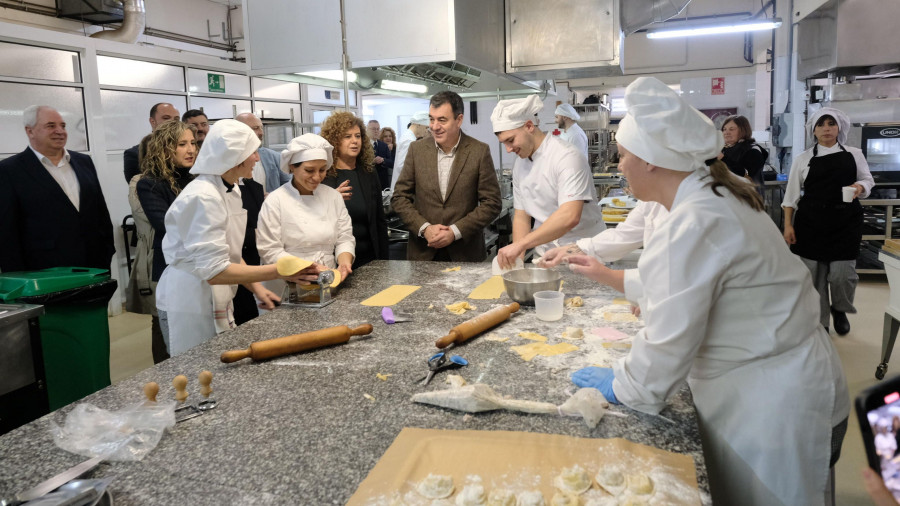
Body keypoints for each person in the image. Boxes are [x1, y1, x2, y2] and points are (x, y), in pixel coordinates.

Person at [565, 77, 849, 505]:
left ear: (652, 161)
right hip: (788, 379)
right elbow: (699, 285)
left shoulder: (694, 220)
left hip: (774, 406)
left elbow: (665, 348)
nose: (619, 167)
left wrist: (624, 384)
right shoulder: (715, 193)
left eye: (623, 157)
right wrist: (611, 277)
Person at [155, 120, 319, 356]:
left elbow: (229, 253)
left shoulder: (231, 189)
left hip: (215, 293)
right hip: (189, 299)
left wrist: (257, 289)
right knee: (193, 372)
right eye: (252, 152)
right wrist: (280, 271)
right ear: (235, 156)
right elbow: (215, 270)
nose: (257, 159)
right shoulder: (203, 197)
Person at [782, 107, 875, 335]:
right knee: (815, 276)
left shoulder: (854, 153)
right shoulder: (803, 159)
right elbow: (791, 196)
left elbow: (867, 179)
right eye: (821, 124)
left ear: (839, 127)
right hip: (811, 221)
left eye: (831, 124)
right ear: (813, 130)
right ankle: (821, 320)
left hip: (845, 220)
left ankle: (840, 308)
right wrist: (787, 225)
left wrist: (860, 187)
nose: (826, 129)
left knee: (843, 274)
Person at [491, 94, 605, 269]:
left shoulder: (567, 156)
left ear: (529, 126)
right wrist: (517, 263)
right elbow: (522, 217)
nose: (508, 149)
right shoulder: (519, 165)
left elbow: (570, 216)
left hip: (583, 253)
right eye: (503, 143)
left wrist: (521, 245)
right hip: (545, 256)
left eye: (511, 140)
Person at [0, 105, 115, 273]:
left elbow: (101, 212)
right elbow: (6, 231)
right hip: (45, 272)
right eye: (51, 126)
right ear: (30, 131)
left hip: (94, 266)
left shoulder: (84, 162)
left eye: (63, 125)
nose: (60, 131)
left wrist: (107, 250)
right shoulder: (10, 170)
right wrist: (18, 277)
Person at [391, 91, 502, 262]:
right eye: (431, 119)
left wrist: (455, 231)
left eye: (442, 120)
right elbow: (399, 198)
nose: (434, 126)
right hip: (423, 253)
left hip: (464, 254)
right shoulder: (417, 150)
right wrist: (425, 228)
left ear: (459, 120)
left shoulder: (478, 151)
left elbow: (492, 203)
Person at [257, 134, 355, 296]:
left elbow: (345, 238)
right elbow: (269, 250)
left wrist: (344, 263)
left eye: (322, 170)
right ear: (292, 167)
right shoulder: (276, 201)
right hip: (286, 285)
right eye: (309, 170)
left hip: (327, 280)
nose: (317, 177)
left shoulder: (333, 197)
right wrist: (308, 269)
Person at [134, 120, 197, 362]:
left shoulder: (197, 178)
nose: (191, 149)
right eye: (182, 144)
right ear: (164, 148)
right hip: (173, 267)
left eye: (192, 143)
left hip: (201, 263)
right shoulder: (150, 184)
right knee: (180, 338)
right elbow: (166, 224)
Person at [320, 112, 388, 268]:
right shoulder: (324, 176)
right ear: (334, 141)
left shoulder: (368, 173)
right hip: (337, 262)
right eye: (347, 136)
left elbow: (379, 221)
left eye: (358, 136)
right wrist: (331, 200)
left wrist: (385, 261)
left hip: (371, 259)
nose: (354, 141)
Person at [540, 200, 668, 267]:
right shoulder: (650, 203)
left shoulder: (684, 207)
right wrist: (570, 250)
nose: (620, 167)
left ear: (649, 164)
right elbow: (622, 237)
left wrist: (603, 274)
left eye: (623, 156)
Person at [235, 112, 292, 194]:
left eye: (261, 128)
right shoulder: (229, 160)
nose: (261, 133)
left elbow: (289, 184)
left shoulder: (273, 156)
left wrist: (274, 197)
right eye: (255, 128)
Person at [124, 102, 180, 183]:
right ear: (153, 121)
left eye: (176, 119)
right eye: (166, 118)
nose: (173, 122)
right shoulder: (134, 154)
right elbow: (137, 187)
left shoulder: (188, 149)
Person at [720, 115, 767, 197]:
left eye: (731, 129)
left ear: (743, 130)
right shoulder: (723, 149)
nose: (726, 132)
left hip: (747, 200)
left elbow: (745, 176)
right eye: (724, 129)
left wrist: (723, 158)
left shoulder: (753, 151)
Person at [389, 111, 430, 193]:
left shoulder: (409, 137)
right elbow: (403, 167)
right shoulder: (409, 140)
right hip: (403, 189)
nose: (426, 131)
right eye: (426, 128)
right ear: (418, 125)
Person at [367, 119, 394, 190]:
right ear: (367, 130)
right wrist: (372, 161)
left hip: (383, 181)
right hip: (369, 181)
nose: (376, 131)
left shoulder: (384, 145)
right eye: (373, 129)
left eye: (377, 129)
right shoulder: (363, 145)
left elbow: (391, 162)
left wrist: (383, 160)